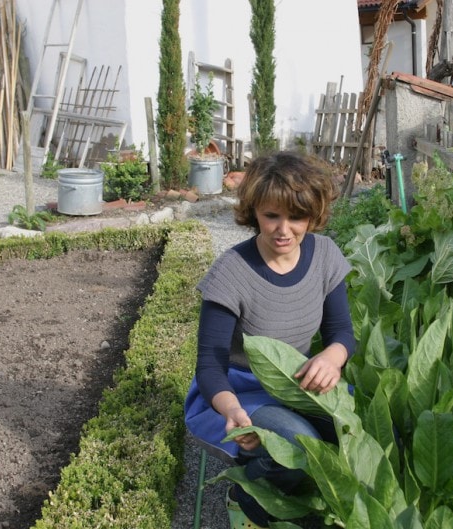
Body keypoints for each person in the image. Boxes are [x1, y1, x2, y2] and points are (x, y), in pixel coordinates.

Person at [184, 151, 356, 528]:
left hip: (299, 383)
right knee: (299, 445)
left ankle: (301, 500)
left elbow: (341, 332)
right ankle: (250, 496)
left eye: (296, 217)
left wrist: (332, 357)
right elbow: (210, 367)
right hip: (242, 390)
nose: (283, 229)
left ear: (313, 216)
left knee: (366, 436)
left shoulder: (324, 255)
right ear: (254, 211)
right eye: (271, 215)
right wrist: (232, 412)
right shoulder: (232, 271)